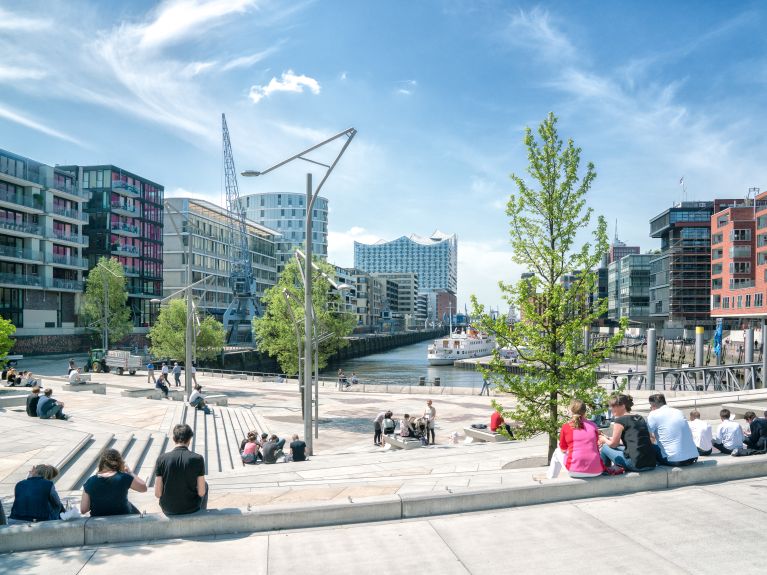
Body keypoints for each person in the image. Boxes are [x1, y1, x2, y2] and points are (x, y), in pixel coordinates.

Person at [153, 423, 207, 516]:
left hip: (168, 508)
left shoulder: (161, 459)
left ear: (174, 439)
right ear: (190, 440)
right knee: (205, 485)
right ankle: (201, 514)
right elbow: (201, 493)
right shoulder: (198, 459)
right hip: (191, 507)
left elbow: (158, 493)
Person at [547, 399, 605, 479]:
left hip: (575, 471)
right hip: (596, 470)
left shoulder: (566, 426)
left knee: (557, 452)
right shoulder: (593, 426)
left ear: (571, 411)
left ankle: (550, 480)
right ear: (585, 411)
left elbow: (563, 449)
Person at [81, 448, 147, 517]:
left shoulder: (90, 481)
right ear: (119, 463)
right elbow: (143, 488)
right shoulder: (124, 477)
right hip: (123, 521)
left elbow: (83, 509)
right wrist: (130, 472)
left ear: (101, 464)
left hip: (99, 523)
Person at [598, 394, 656, 472]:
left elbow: (613, 444)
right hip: (651, 463)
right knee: (618, 447)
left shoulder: (620, 420)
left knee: (605, 447)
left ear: (623, 406)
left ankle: (604, 472)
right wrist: (609, 438)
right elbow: (647, 439)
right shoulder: (640, 418)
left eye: (613, 406)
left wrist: (604, 439)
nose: (611, 409)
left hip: (635, 465)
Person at [646, 393, 698, 466]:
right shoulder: (678, 411)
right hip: (692, 457)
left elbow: (645, 435)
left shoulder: (653, 414)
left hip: (675, 460)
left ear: (652, 405)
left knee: (649, 446)